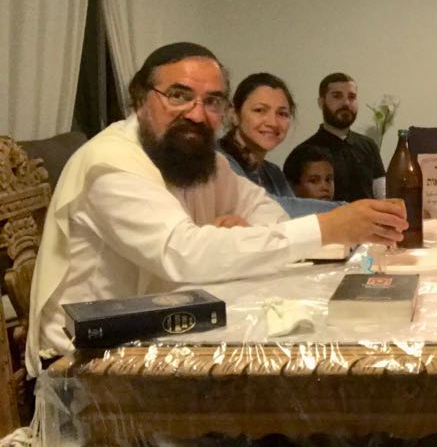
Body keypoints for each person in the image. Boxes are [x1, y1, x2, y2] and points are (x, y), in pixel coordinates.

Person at [26, 43, 408, 375]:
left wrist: (242, 236)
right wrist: (328, 227)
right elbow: (183, 254)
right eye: (178, 95)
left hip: (163, 331)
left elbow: (264, 210)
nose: (196, 113)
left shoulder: (195, 156)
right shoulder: (110, 164)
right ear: (140, 99)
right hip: (83, 359)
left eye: (211, 101)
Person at [218, 72, 338, 217]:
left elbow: (292, 220)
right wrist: (349, 210)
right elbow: (266, 207)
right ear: (234, 115)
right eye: (259, 110)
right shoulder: (219, 160)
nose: (273, 123)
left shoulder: (273, 172)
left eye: (282, 114)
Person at [288, 73, 386, 203]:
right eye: (337, 96)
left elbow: (383, 197)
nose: (346, 103)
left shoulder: (369, 146)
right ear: (321, 102)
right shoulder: (302, 153)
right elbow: (293, 205)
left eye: (352, 97)